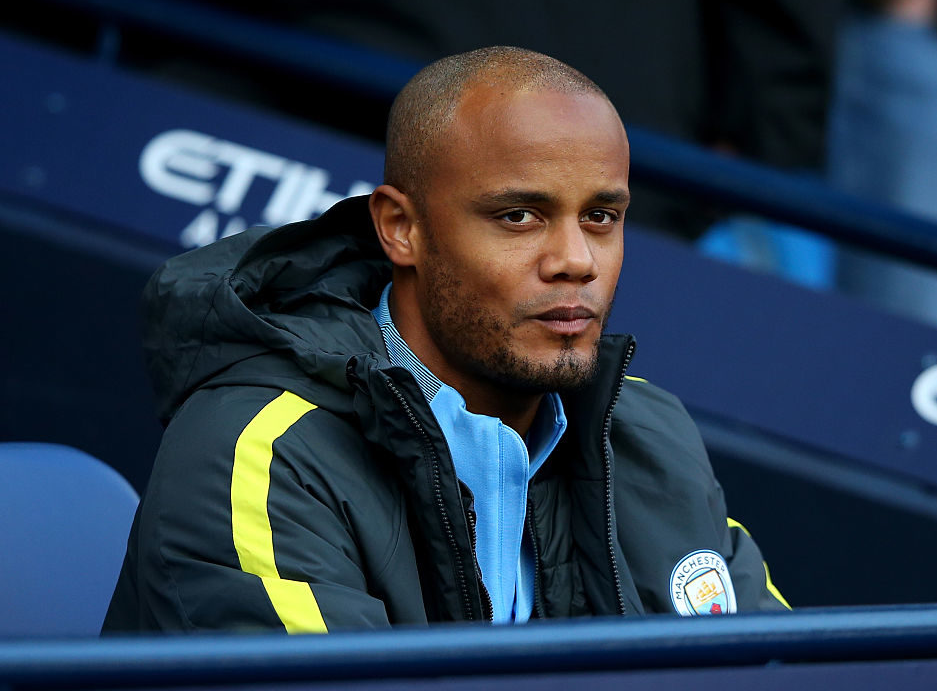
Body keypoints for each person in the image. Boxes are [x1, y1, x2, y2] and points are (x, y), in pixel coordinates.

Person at [104, 46, 789, 632]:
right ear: (401, 228)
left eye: (602, 216)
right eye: (519, 215)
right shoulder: (259, 451)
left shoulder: (649, 433)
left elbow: (791, 669)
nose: (576, 259)